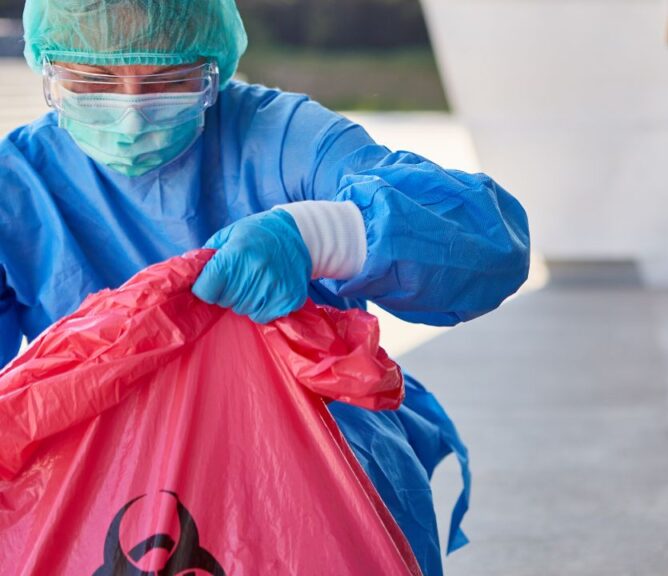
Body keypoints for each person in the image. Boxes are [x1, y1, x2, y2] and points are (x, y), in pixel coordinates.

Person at [0, 1, 530, 575]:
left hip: (311, 459)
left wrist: (318, 234)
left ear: (213, 68)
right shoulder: (18, 186)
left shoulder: (281, 140)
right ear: (46, 69)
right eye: (94, 80)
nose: (131, 112)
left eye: (168, 79)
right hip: (100, 470)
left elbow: (482, 239)